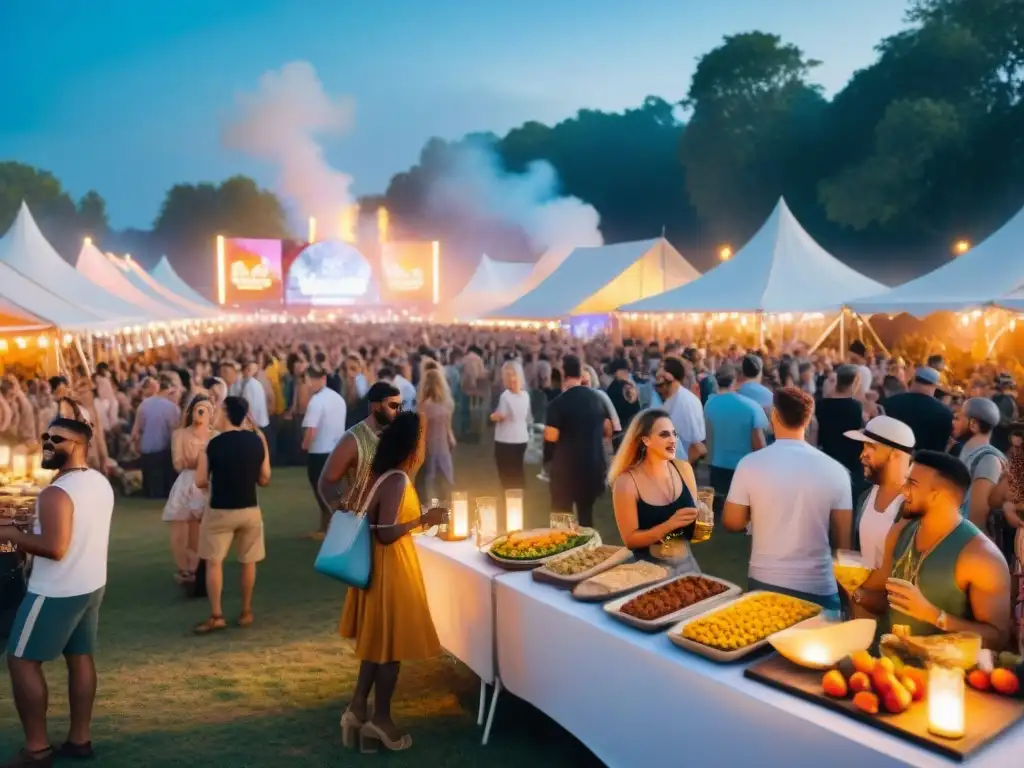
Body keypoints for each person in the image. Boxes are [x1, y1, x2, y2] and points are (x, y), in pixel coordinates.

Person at [2, 400, 115, 764]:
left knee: (20, 661)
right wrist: (25, 531)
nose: (48, 443)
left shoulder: (56, 493)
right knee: (80, 657)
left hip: (55, 590)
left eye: (58, 439)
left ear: (79, 445)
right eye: (46, 437)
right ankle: (80, 740)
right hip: (90, 584)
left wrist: (10, 534)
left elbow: (55, 547)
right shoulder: (97, 481)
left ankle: (37, 748)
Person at [338, 412, 446, 753]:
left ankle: (357, 710)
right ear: (413, 447)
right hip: (390, 568)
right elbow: (385, 534)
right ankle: (380, 721)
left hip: (380, 568)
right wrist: (423, 519)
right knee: (391, 651)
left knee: (376, 647)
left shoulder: (382, 475)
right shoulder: (397, 479)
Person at [853, 451, 1012, 647]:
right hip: (883, 664)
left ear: (938, 495)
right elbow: (884, 601)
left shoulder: (981, 556)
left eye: (912, 483)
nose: (903, 490)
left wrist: (935, 616)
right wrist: (854, 591)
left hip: (941, 673)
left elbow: (998, 638)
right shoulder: (901, 531)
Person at [723, 387, 852, 611]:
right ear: (809, 420)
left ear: (775, 415)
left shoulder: (750, 464)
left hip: (766, 579)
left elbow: (732, 522)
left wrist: (759, 513)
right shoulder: (837, 470)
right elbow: (844, 545)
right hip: (819, 584)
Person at [193, 396, 270, 634]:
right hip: (249, 509)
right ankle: (246, 610)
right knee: (249, 561)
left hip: (220, 511)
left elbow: (200, 480)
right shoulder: (257, 441)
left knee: (214, 562)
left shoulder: (213, 445)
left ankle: (217, 615)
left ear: (226, 413)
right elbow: (265, 478)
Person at [609, 409, 700, 563]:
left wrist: (702, 517)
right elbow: (630, 541)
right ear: (646, 440)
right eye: (664, 435)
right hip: (646, 569)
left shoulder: (684, 469)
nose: (673, 440)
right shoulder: (627, 482)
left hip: (686, 564)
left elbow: (694, 530)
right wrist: (669, 525)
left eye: (674, 434)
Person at [544, 354, 612, 528]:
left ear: (562, 374)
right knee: (586, 517)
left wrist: (547, 462)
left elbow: (551, 437)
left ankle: (562, 552)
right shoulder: (597, 400)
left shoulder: (557, 404)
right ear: (580, 374)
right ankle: (588, 552)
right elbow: (607, 429)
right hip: (592, 468)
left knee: (561, 518)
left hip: (565, 472)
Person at [317, 382, 403, 516]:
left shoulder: (395, 436)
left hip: (386, 522)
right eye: (393, 406)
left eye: (400, 406)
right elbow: (326, 482)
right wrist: (342, 514)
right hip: (358, 521)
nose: (398, 411)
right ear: (376, 406)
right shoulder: (352, 440)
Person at [844, 415, 915, 568]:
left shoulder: (912, 503)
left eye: (871, 448)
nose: (862, 455)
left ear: (894, 454)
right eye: (863, 447)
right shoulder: (865, 496)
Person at [162, 394, 213, 585]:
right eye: (197, 409)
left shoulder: (214, 435)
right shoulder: (180, 435)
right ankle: (183, 567)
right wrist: (200, 459)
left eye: (205, 410)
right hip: (186, 482)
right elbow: (178, 463)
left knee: (199, 527)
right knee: (179, 524)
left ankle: (196, 567)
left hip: (205, 483)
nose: (200, 413)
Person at [703, 366, 768, 514]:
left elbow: (708, 438)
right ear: (738, 381)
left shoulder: (709, 405)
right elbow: (759, 443)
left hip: (717, 468)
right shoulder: (752, 407)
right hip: (743, 470)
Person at [302, 366, 348, 538]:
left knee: (321, 491)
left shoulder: (316, 401)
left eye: (308, 380)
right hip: (337, 451)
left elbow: (311, 431)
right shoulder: (337, 398)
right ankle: (325, 528)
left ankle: (330, 529)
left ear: (319, 379)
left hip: (319, 452)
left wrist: (304, 445)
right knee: (332, 491)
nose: (307, 384)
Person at [815, 364, 867, 502]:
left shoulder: (820, 405)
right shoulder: (857, 408)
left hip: (827, 464)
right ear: (855, 381)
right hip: (852, 467)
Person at [954, 397, 1006, 531]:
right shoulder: (969, 451)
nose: (954, 423)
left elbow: (977, 518)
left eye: (958, 419)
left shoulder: (987, 459)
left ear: (973, 425)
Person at [882, 367, 953, 453]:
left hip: (890, 457)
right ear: (934, 386)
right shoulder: (945, 413)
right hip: (922, 463)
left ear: (913, 380)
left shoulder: (891, 402)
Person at [131, 373, 180, 498]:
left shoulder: (144, 405)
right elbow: (174, 435)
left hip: (147, 452)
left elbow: (136, 432)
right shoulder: (172, 408)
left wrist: (137, 447)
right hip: (164, 453)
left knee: (149, 489)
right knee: (163, 491)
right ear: (169, 389)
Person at [655, 356, 706, 463]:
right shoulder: (670, 399)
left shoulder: (685, 402)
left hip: (679, 468)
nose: (657, 374)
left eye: (662, 370)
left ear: (670, 377)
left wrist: (681, 473)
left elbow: (698, 447)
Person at [491, 360, 532, 492]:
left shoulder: (505, 396)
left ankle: (510, 502)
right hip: (521, 437)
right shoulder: (526, 395)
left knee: (506, 475)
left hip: (506, 439)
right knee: (518, 471)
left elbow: (501, 415)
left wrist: (493, 417)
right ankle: (517, 501)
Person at [416, 367, 456, 503]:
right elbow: (448, 429)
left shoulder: (423, 407)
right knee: (444, 485)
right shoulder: (446, 405)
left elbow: (421, 431)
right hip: (443, 448)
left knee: (430, 484)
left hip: (428, 448)